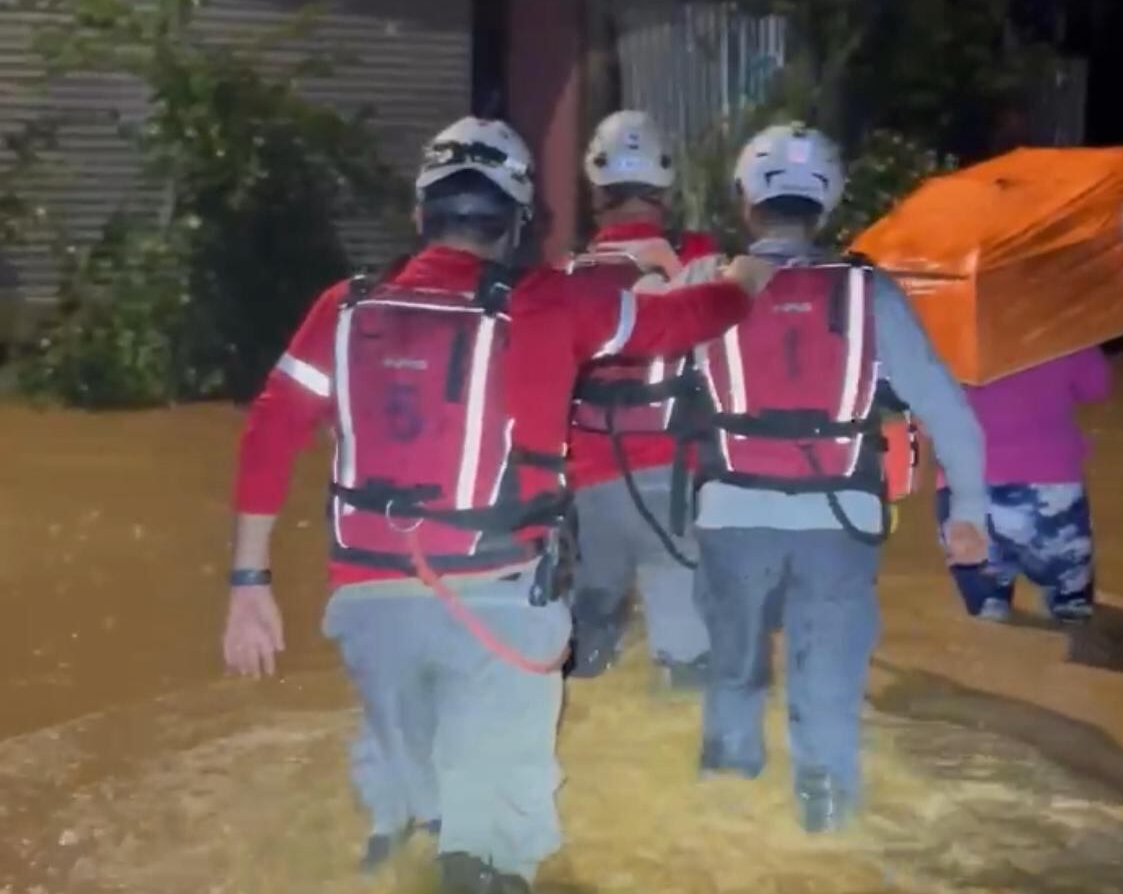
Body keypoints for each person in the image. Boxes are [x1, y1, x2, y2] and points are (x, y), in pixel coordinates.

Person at [221, 116, 770, 894]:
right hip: (499, 606)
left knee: (406, 817)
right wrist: (744, 283)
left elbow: (268, 433)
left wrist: (248, 587)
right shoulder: (549, 303)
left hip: (369, 606)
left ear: (420, 215)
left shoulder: (341, 309)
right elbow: (678, 322)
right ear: (516, 223)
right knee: (493, 849)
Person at [673, 123, 990, 832]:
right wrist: (967, 509)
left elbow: (651, 384)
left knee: (732, 677)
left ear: (746, 201)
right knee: (826, 691)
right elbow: (948, 409)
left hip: (730, 517)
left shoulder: (706, 284)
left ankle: (723, 821)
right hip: (838, 521)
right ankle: (825, 822)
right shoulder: (868, 291)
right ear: (829, 204)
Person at [566, 109, 717, 686]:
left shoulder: (569, 274)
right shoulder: (703, 260)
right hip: (677, 482)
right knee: (687, 668)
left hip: (591, 487)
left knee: (588, 653)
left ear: (595, 188)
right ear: (665, 182)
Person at [939, 347, 1111, 623]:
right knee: (1072, 606)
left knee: (987, 611)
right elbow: (1096, 387)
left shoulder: (943, 331)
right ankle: (1068, 604)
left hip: (963, 491)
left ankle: (990, 603)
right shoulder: (1056, 328)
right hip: (1050, 488)